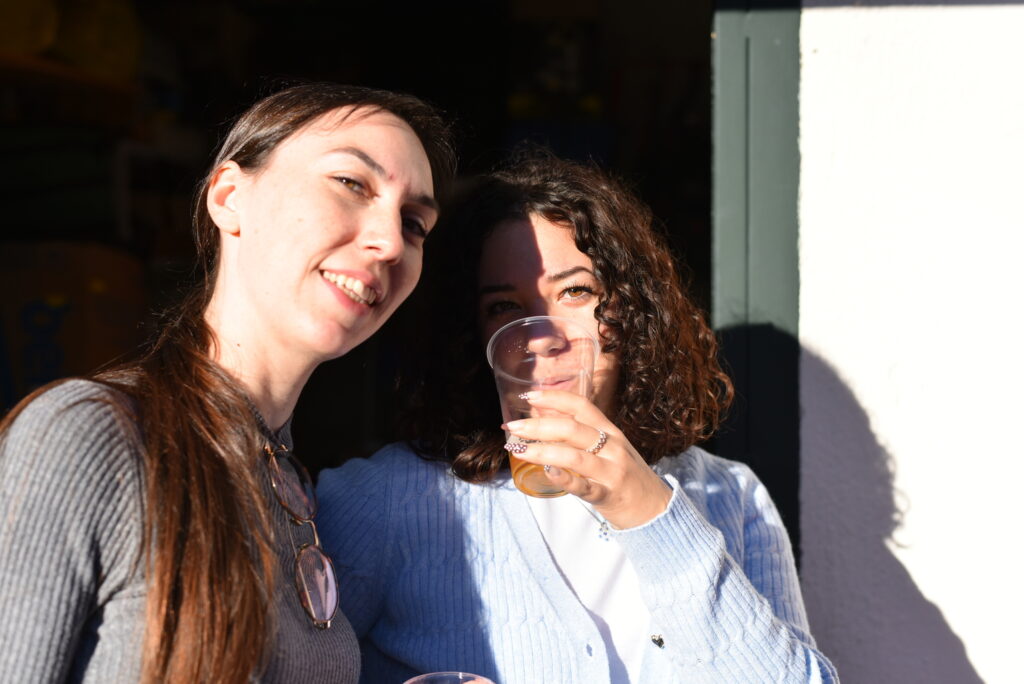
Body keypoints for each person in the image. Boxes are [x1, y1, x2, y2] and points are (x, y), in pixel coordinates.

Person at [316, 151, 838, 683]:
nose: (542, 333)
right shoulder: (385, 500)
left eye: (575, 291)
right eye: (504, 306)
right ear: (471, 335)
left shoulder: (732, 497)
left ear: (632, 308)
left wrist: (648, 510)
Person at [0, 82, 455, 683]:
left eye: (415, 223)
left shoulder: (291, 486)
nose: (391, 241)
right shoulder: (91, 433)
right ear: (230, 197)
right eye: (351, 183)